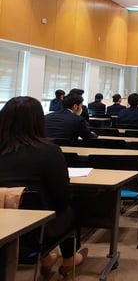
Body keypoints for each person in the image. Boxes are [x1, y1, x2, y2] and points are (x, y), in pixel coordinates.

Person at [0, 96, 88, 276]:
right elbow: (62, 199)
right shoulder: (49, 151)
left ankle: (47, 258)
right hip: (35, 229)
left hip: (4, 223)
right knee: (71, 207)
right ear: (39, 121)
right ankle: (69, 258)